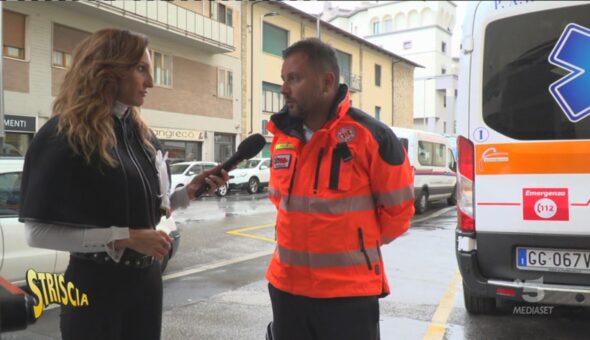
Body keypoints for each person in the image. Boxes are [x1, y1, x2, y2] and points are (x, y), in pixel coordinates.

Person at [18, 28, 228, 340]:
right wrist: (124, 238)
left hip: (146, 283)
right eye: (141, 69)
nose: (151, 82)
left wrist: (189, 193)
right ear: (108, 69)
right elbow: (37, 233)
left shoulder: (142, 135)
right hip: (94, 288)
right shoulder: (63, 135)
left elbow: (153, 207)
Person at [265, 38, 415, 340]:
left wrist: (355, 245)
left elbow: (398, 213)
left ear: (327, 82)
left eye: (294, 78)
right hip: (286, 290)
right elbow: (281, 204)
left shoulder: (372, 136)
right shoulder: (282, 137)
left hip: (348, 297)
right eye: (284, 79)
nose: (284, 88)